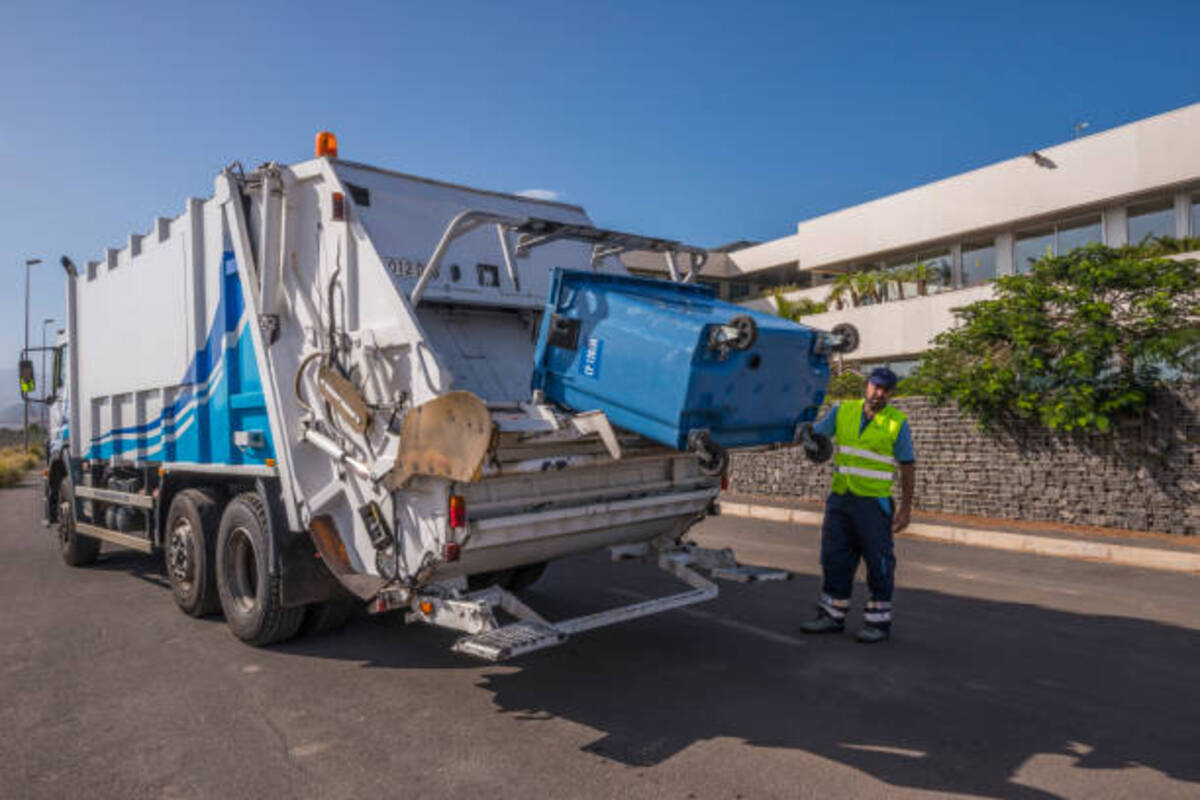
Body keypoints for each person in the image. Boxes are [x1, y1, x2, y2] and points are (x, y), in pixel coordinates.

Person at [799, 366, 915, 643]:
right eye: (875, 386)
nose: (878, 393)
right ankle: (831, 616)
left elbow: (907, 466)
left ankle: (878, 623)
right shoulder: (843, 410)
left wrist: (906, 508)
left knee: (879, 563)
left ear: (891, 393)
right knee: (834, 557)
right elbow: (816, 436)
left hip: (874, 505)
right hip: (841, 499)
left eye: (885, 389)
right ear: (867, 385)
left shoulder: (896, 423)